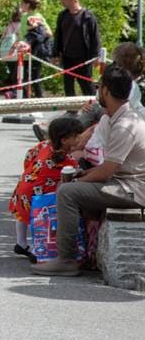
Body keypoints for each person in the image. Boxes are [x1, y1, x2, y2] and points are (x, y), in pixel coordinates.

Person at [33, 66, 145, 276]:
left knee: (68, 192)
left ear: (106, 91)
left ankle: (66, 259)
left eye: (99, 87)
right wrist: (83, 175)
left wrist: (78, 181)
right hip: (124, 183)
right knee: (74, 184)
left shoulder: (125, 125)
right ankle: (85, 253)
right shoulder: (115, 118)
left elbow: (106, 172)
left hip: (133, 189)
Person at [8, 116, 84, 263]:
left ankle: (21, 243)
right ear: (64, 140)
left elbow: (29, 156)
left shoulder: (43, 145)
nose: (80, 138)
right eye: (76, 136)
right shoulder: (66, 159)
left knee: (22, 216)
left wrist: (31, 173)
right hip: (39, 194)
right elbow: (73, 174)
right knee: (40, 220)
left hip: (24, 185)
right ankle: (38, 249)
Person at [54, 0, 100, 97]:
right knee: (68, 84)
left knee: (86, 84)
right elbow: (58, 35)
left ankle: (93, 107)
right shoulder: (62, 15)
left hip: (84, 57)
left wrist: (96, 56)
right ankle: (71, 110)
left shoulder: (88, 16)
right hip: (67, 56)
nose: (61, 1)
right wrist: (56, 54)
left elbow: (95, 37)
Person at [24, 15, 52, 99]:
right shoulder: (44, 30)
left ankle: (37, 94)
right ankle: (37, 94)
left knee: (33, 75)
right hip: (43, 54)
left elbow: (30, 42)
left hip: (36, 55)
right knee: (35, 75)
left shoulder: (33, 33)